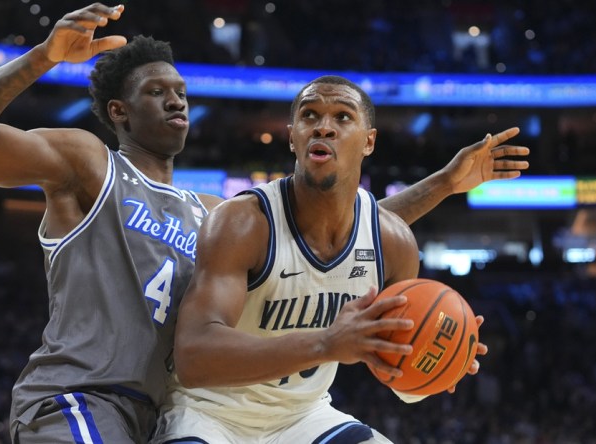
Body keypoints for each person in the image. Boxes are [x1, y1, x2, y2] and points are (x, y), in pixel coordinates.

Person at [0, 3, 529, 443]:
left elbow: (336, 233)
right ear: (118, 112)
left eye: (181, 91)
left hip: (157, 411)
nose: (177, 101)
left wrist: (445, 185)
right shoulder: (90, 165)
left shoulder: (210, 215)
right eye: (158, 92)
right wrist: (40, 60)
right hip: (85, 394)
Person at [150, 76, 492, 444]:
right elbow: (194, 357)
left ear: (369, 141)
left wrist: (447, 359)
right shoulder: (243, 222)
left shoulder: (392, 243)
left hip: (302, 417)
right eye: (310, 116)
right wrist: (326, 343)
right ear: (293, 137)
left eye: (343, 117)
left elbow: (402, 376)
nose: (324, 127)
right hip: (209, 412)